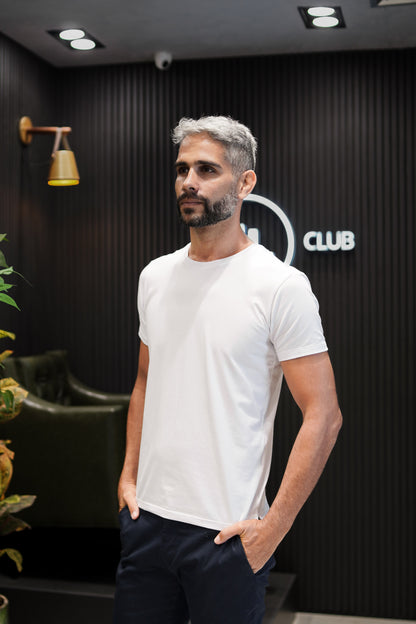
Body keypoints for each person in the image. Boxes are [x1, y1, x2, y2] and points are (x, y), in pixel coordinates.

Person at [114, 116, 342, 624]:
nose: (188, 181)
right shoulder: (155, 276)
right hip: (146, 523)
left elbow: (324, 416)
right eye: (182, 169)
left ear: (245, 183)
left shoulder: (279, 285)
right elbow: (146, 381)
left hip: (227, 536)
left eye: (206, 169)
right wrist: (128, 478)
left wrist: (271, 531)